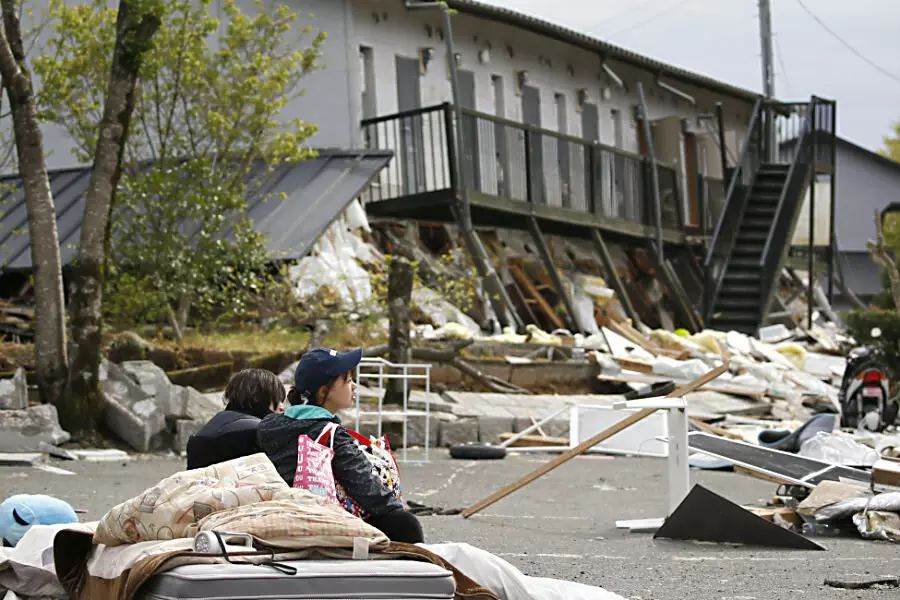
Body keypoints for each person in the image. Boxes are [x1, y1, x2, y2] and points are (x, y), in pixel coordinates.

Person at [258, 348, 424, 544]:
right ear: (323, 391)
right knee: (405, 523)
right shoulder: (331, 435)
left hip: (278, 513)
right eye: (347, 380)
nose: (354, 386)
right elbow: (367, 488)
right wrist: (397, 509)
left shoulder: (268, 425)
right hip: (324, 520)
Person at [186, 368, 285, 470]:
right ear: (257, 397)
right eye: (278, 399)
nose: (282, 407)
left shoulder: (204, 432)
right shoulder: (258, 432)